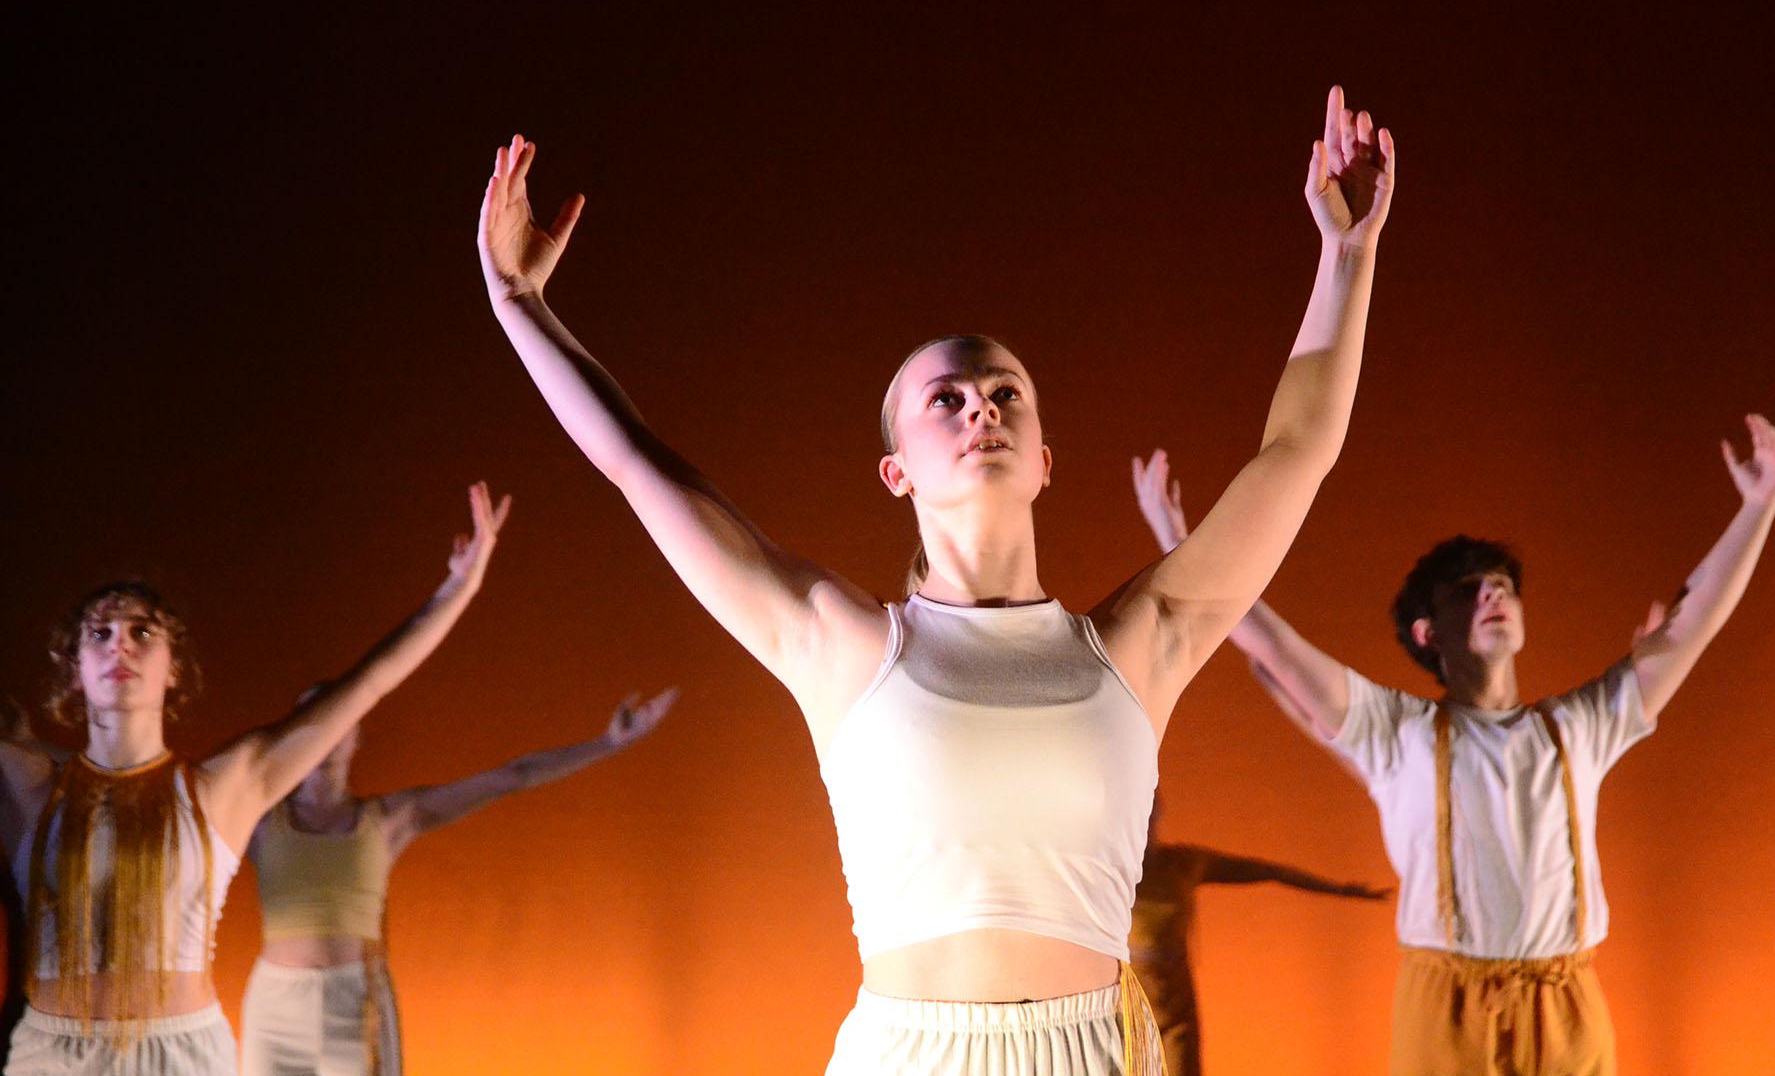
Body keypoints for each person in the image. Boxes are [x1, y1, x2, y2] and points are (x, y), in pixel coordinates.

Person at [475, 84, 1396, 1075]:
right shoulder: (845, 647)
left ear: (1046, 457)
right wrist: (521, 304)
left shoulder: (1137, 644)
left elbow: (1296, 452)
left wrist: (1347, 258)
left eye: (1007, 394)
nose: (980, 409)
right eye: (945, 398)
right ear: (896, 469)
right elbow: (643, 468)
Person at [1130, 417, 1775, 1076]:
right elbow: (1271, 641)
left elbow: (1691, 626)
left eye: (1502, 583)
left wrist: (1759, 505)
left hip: (1567, 1007)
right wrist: (1179, 544)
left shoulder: (1582, 726)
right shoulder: (1399, 733)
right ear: (1428, 632)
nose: (1493, 592)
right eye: (1468, 589)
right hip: (1448, 1012)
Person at [0, 483, 510, 1076]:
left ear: (173, 670)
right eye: (99, 634)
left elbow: (367, 684)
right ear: (74, 667)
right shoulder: (27, 783)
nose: (121, 645)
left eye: (142, 633)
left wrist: (458, 589)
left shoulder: (225, 786)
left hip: (182, 1053)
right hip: (51, 1055)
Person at [240, 686, 677, 1076]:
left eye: (340, 720)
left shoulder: (389, 819)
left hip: (356, 1005)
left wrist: (608, 744)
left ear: (356, 735)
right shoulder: (257, 823)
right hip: (275, 1012)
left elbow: (511, 776)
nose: (327, 735)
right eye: (315, 722)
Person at [1129, 795, 1387, 1076]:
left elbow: (1268, 871)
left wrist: (1338, 889)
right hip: (1128, 993)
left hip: (1176, 993)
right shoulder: (1109, 871)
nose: (1146, 825)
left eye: (1151, 815)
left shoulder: (1184, 863)